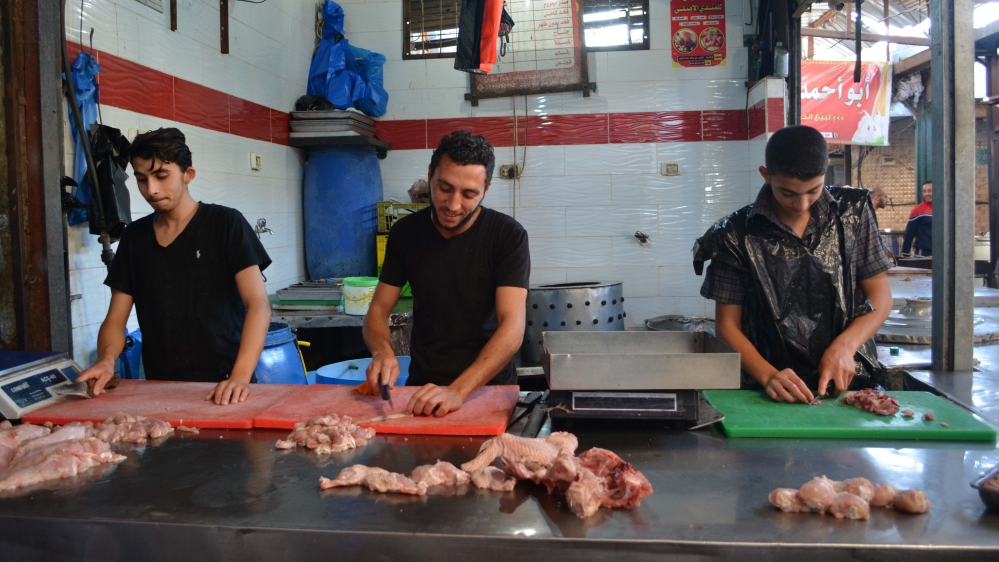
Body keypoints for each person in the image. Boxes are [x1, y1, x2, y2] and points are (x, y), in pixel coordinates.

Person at [693, 125, 893, 403]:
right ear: (766, 175)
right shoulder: (735, 235)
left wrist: (845, 346)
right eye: (788, 193)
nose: (801, 204)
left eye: (813, 190)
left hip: (849, 381)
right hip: (769, 390)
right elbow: (727, 326)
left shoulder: (854, 212)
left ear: (825, 170)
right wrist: (768, 375)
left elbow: (880, 297)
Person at [77, 128, 272, 405]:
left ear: (187, 174)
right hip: (161, 390)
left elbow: (258, 305)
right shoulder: (135, 238)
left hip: (226, 388)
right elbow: (116, 319)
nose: (151, 190)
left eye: (161, 176)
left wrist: (239, 377)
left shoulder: (225, 223)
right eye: (142, 179)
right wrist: (106, 360)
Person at [363, 130, 530, 417]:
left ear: (486, 189)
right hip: (422, 388)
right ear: (430, 175)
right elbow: (377, 311)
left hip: (488, 390)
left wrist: (457, 391)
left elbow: (512, 326)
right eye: (444, 188)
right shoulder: (406, 233)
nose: (453, 205)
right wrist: (382, 352)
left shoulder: (507, 236)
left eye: (469, 194)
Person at [902, 182, 932, 256]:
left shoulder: (943, 209)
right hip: (923, 253)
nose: (927, 194)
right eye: (924, 191)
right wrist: (905, 253)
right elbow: (909, 233)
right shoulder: (917, 211)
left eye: (929, 191)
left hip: (940, 252)